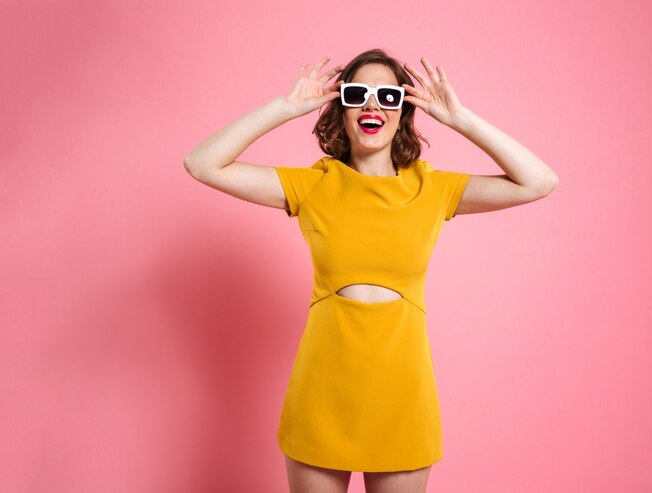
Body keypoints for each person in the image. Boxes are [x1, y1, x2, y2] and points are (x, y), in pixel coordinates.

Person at [184, 48, 558, 493]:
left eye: (387, 96)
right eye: (357, 94)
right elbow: (202, 163)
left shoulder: (432, 188)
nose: (372, 105)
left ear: (404, 109)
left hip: (402, 390)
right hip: (323, 389)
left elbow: (539, 181)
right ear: (342, 110)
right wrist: (283, 109)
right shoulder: (315, 183)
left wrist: (460, 119)